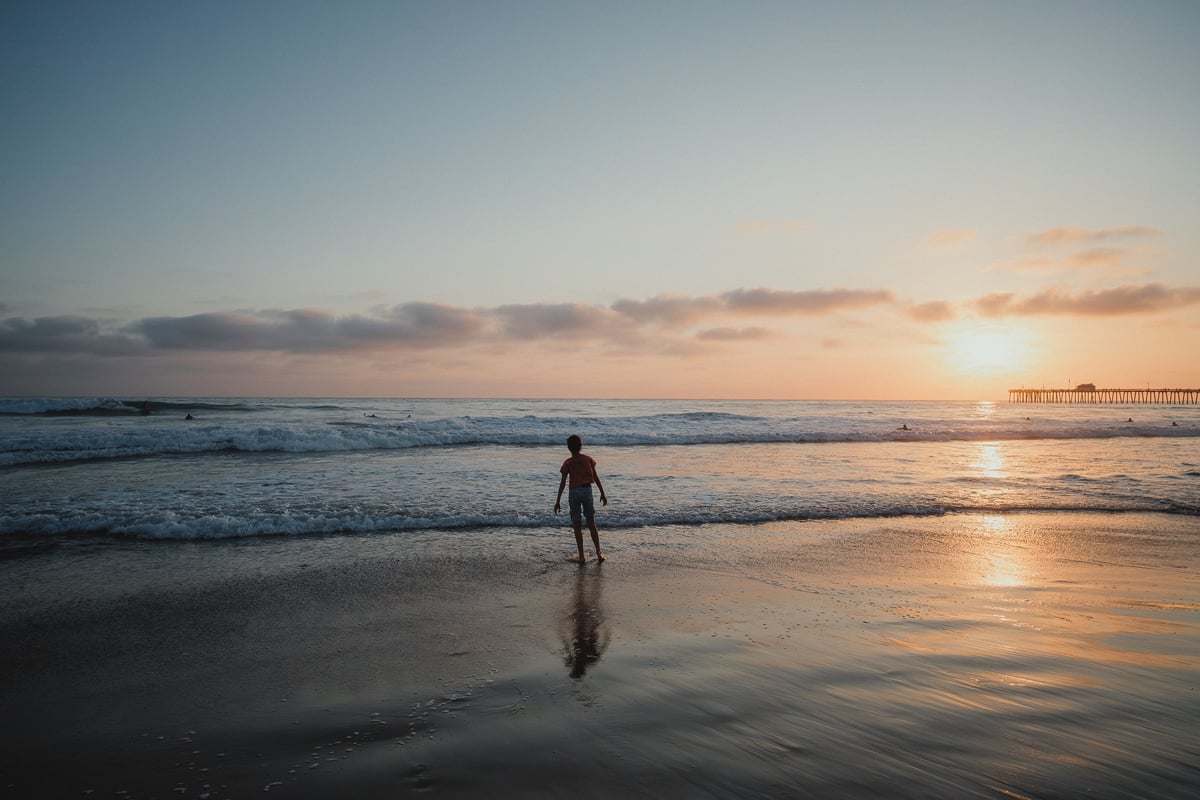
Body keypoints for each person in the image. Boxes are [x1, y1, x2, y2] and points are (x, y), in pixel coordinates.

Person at [554, 434, 608, 563]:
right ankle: (599, 552)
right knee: (591, 523)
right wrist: (602, 493)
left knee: (577, 524)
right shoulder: (588, 460)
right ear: (581, 446)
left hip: (574, 492)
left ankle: (582, 556)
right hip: (587, 490)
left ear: (568, 448)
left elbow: (563, 483)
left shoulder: (568, 463)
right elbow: (595, 477)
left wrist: (557, 501)